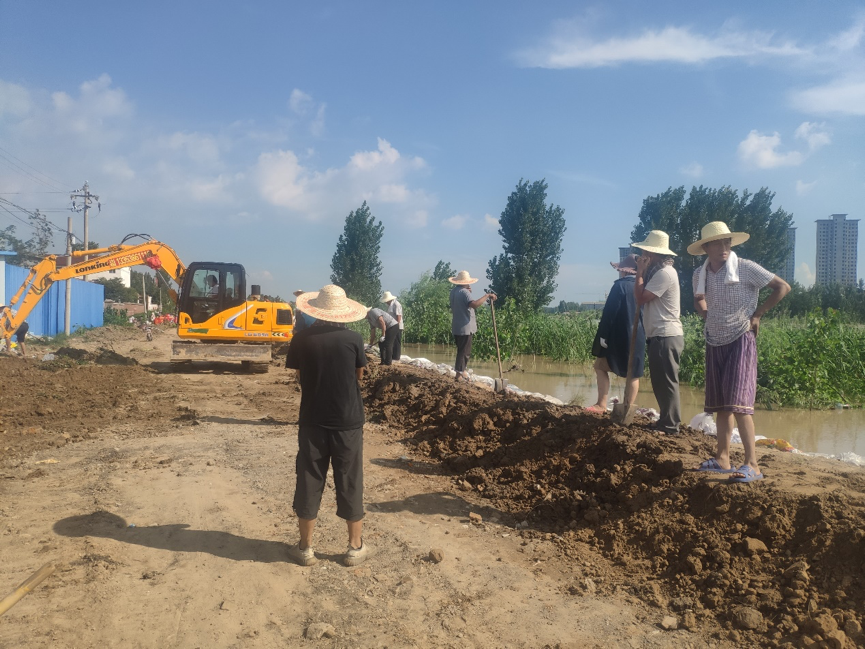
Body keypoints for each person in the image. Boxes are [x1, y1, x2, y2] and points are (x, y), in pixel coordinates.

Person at [690, 222, 790, 483]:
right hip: (714, 340)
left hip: (740, 338)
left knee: (740, 405)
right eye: (717, 243)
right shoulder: (700, 274)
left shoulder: (745, 267)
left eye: (727, 242)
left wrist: (758, 314)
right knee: (722, 405)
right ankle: (722, 458)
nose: (723, 247)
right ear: (706, 248)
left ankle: (752, 464)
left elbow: (782, 287)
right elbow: (698, 298)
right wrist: (706, 313)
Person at [284, 284, 370, 567]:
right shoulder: (354, 339)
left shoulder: (301, 340)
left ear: (317, 310)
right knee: (350, 478)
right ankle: (354, 547)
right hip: (347, 421)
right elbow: (358, 375)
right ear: (343, 313)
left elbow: (299, 376)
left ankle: (305, 548)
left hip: (312, 419)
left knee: (309, 478)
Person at [632, 230, 685, 435]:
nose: (643, 256)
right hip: (660, 335)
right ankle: (666, 420)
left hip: (665, 335)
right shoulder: (659, 272)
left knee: (667, 382)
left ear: (653, 254)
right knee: (660, 382)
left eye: (645, 252)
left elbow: (640, 298)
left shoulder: (664, 273)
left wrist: (639, 272)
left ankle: (670, 425)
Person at [587, 254, 645, 413]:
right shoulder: (644, 286)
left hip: (619, 337)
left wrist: (603, 336)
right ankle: (627, 410)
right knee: (634, 374)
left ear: (624, 271)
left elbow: (609, 314)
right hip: (639, 336)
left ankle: (601, 404)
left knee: (600, 366)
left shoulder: (620, 286)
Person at [448, 270, 495, 382]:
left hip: (457, 325)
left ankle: (461, 371)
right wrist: (487, 296)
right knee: (464, 352)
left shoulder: (454, 291)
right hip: (465, 326)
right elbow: (474, 305)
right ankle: (459, 374)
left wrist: (467, 292)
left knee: (461, 350)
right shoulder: (464, 292)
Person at [381, 291, 403, 362]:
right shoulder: (390, 305)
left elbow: (399, 316)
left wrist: (396, 326)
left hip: (397, 326)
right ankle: (392, 356)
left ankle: (396, 357)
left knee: (396, 342)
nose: (386, 302)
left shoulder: (396, 304)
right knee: (391, 341)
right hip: (391, 326)